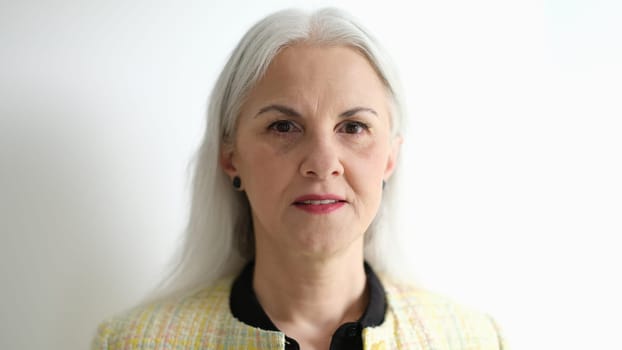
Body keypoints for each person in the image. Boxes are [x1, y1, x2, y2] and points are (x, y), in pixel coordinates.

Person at [92, 7, 506, 350]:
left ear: (389, 158)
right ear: (230, 156)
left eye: (354, 127)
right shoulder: (134, 342)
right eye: (284, 127)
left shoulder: (473, 339)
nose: (323, 163)